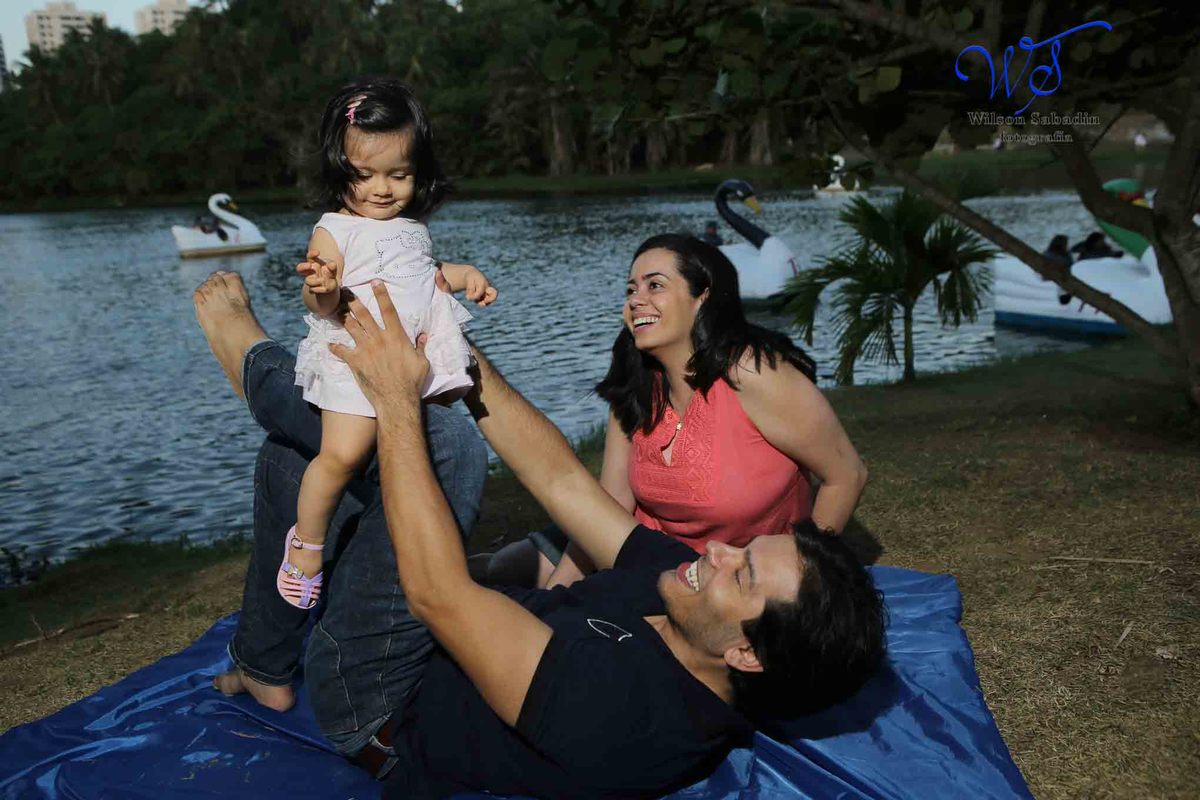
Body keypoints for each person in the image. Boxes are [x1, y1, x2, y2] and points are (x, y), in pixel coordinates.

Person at [194, 271, 886, 799]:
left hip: (380, 696)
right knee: (301, 459)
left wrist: (399, 396)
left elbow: (439, 595)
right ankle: (262, 659)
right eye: (745, 547)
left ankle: (250, 355)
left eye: (743, 573)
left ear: (746, 655)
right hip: (444, 635)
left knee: (442, 447)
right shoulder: (692, 600)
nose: (720, 550)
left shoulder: (626, 717)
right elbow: (564, 483)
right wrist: (453, 353)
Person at [488, 235, 868, 589]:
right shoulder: (635, 384)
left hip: (728, 571)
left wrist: (805, 577)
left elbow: (847, 475)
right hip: (647, 549)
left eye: (655, 285)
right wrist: (561, 593)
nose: (636, 299)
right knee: (503, 568)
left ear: (701, 297)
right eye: (631, 289)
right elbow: (612, 504)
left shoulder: (752, 375)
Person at [279, 79, 497, 609]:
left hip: (411, 361)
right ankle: (305, 544)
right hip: (358, 362)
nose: (382, 188)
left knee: (431, 441)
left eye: (398, 174)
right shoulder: (334, 229)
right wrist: (323, 290)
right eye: (365, 175)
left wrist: (464, 273)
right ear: (339, 171)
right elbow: (320, 302)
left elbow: (421, 273)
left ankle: (410, 545)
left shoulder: (410, 227)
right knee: (343, 453)